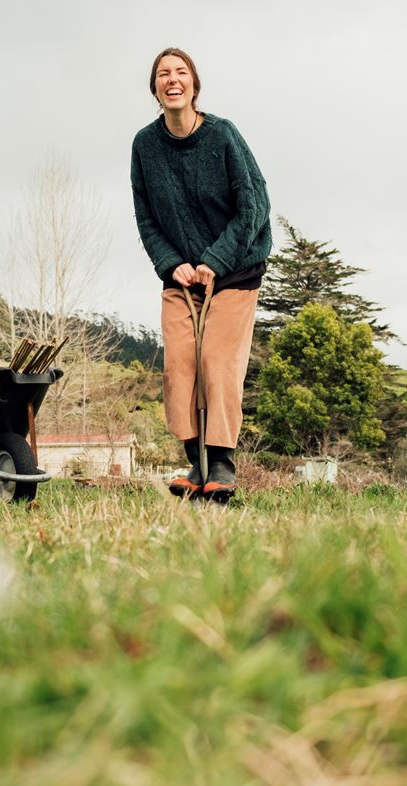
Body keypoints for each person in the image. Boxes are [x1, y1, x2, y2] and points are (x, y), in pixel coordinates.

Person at [130, 46, 271, 502]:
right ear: (154, 88)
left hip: (234, 271)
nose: (173, 79)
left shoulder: (223, 135)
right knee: (180, 366)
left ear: (194, 83)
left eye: (181, 72)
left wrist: (216, 259)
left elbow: (254, 205)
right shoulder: (145, 146)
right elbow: (146, 218)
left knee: (217, 360)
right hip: (181, 275)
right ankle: (197, 463)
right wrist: (174, 264)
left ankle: (222, 465)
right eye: (163, 74)